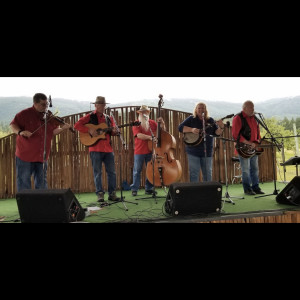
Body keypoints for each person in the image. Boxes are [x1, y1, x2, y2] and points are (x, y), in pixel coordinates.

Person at [10, 93, 72, 192]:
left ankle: (42, 206)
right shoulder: (24, 114)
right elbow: (13, 125)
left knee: (42, 183)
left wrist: (63, 128)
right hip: (25, 155)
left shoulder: (49, 116)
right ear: (35, 103)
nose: (46, 107)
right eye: (43, 104)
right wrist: (20, 132)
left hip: (42, 155)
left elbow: (53, 132)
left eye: (47, 104)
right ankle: (26, 206)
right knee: (24, 182)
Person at [74, 96, 120, 203]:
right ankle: (100, 194)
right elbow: (77, 125)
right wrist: (89, 130)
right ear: (95, 105)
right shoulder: (90, 117)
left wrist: (115, 131)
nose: (102, 106)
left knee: (112, 172)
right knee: (97, 173)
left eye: (103, 104)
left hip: (108, 149)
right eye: (99, 104)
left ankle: (112, 194)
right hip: (95, 148)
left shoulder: (109, 118)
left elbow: (112, 131)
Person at [178, 102, 224, 182]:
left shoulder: (210, 120)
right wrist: (191, 130)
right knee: (194, 173)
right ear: (196, 109)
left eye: (202, 108)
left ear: (205, 110)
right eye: (199, 108)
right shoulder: (191, 118)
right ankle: (194, 192)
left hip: (207, 151)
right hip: (193, 151)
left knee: (207, 173)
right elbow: (180, 128)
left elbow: (217, 133)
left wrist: (221, 127)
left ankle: (207, 191)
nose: (200, 110)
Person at [130, 105, 166, 197]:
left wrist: (162, 124)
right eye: (142, 112)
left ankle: (149, 188)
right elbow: (138, 135)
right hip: (139, 151)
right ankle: (135, 189)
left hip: (151, 150)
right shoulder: (136, 123)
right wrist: (150, 137)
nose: (143, 113)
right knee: (137, 171)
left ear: (148, 113)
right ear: (139, 113)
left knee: (150, 170)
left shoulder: (153, 123)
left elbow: (162, 132)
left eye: (145, 112)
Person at [231, 100, 265, 195]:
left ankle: (256, 187)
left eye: (253, 107)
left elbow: (257, 132)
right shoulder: (238, 118)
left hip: (254, 147)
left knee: (255, 168)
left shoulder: (254, 118)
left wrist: (258, 141)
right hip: (243, 148)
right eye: (251, 108)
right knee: (245, 170)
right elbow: (235, 135)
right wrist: (248, 143)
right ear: (244, 108)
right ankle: (247, 189)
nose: (253, 109)